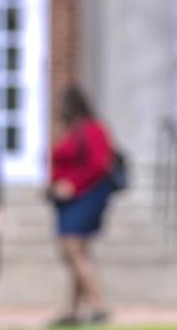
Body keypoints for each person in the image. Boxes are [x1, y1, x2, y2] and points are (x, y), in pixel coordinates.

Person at [47, 86, 114, 326]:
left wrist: (72, 185)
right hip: (68, 202)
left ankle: (99, 305)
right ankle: (73, 310)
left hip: (84, 199)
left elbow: (98, 165)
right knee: (77, 254)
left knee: (73, 251)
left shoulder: (92, 129)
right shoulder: (72, 130)